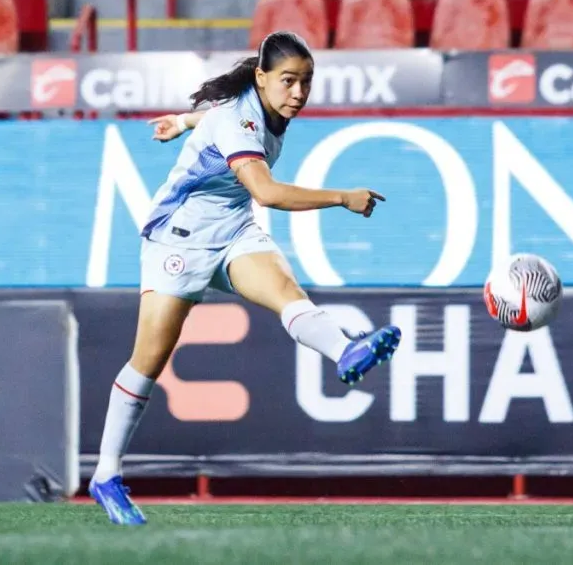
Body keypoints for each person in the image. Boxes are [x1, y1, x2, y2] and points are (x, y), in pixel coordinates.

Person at [88, 31, 401, 525]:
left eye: (306, 82)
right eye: (288, 81)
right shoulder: (242, 118)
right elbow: (267, 192)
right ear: (262, 78)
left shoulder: (257, 107)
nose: (298, 93)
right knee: (148, 362)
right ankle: (106, 475)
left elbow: (215, 119)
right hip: (179, 238)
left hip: (232, 230)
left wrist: (181, 122)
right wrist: (342, 197)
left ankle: (345, 351)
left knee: (286, 291)